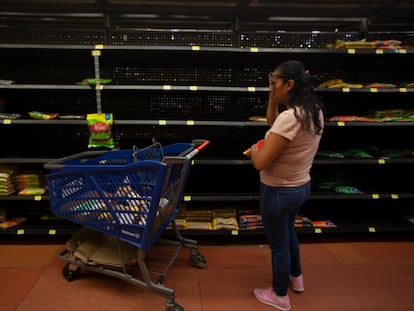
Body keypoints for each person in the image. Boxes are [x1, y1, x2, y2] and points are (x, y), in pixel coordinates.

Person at [249, 60, 324, 311]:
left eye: (274, 84)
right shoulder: (312, 109)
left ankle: (280, 296)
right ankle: (297, 277)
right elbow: (273, 123)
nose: (271, 88)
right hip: (300, 187)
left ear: (289, 84)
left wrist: (254, 151)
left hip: (278, 191)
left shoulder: (290, 118)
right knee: (289, 232)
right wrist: (273, 97)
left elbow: (261, 163)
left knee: (279, 246)